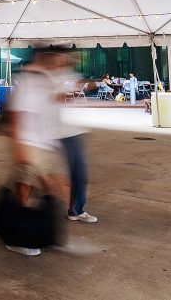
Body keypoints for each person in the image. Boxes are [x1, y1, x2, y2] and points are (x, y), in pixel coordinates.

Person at [3, 48, 69, 256]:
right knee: (23, 191)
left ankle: (44, 233)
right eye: (57, 60)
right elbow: (15, 117)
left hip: (44, 145)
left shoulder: (45, 79)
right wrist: (20, 148)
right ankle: (14, 237)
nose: (60, 64)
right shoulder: (30, 81)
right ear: (45, 58)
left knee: (49, 188)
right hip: (29, 145)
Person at [54, 51, 97, 224]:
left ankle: (75, 208)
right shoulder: (54, 76)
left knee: (78, 171)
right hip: (62, 131)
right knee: (78, 171)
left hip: (73, 130)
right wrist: (77, 89)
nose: (76, 60)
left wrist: (85, 85)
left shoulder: (72, 74)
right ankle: (75, 209)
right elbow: (56, 97)